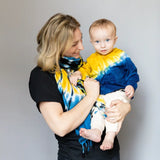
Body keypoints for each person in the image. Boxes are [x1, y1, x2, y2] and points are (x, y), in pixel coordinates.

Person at [29, 13, 131, 160]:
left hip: (109, 152)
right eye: (74, 44)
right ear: (57, 46)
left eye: (81, 39)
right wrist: (91, 96)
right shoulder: (42, 76)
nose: (82, 47)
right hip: (76, 155)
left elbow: (116, 91)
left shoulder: (86, 67)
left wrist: (125, 108)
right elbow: (61, 127)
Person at [70, 18, 139, 151]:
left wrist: (131, 85)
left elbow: (132, 72)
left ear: (115, 39)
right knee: (97, 111)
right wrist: (78, 73)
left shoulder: (121, 56)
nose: (102, 46)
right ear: (91, 42)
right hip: (101, 94)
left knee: (112, 111)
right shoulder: (92, 59)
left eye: (107, 40)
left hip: (118, 92)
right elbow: (85, 69)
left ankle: (110, 136)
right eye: (97, 42)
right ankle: (96, 131)